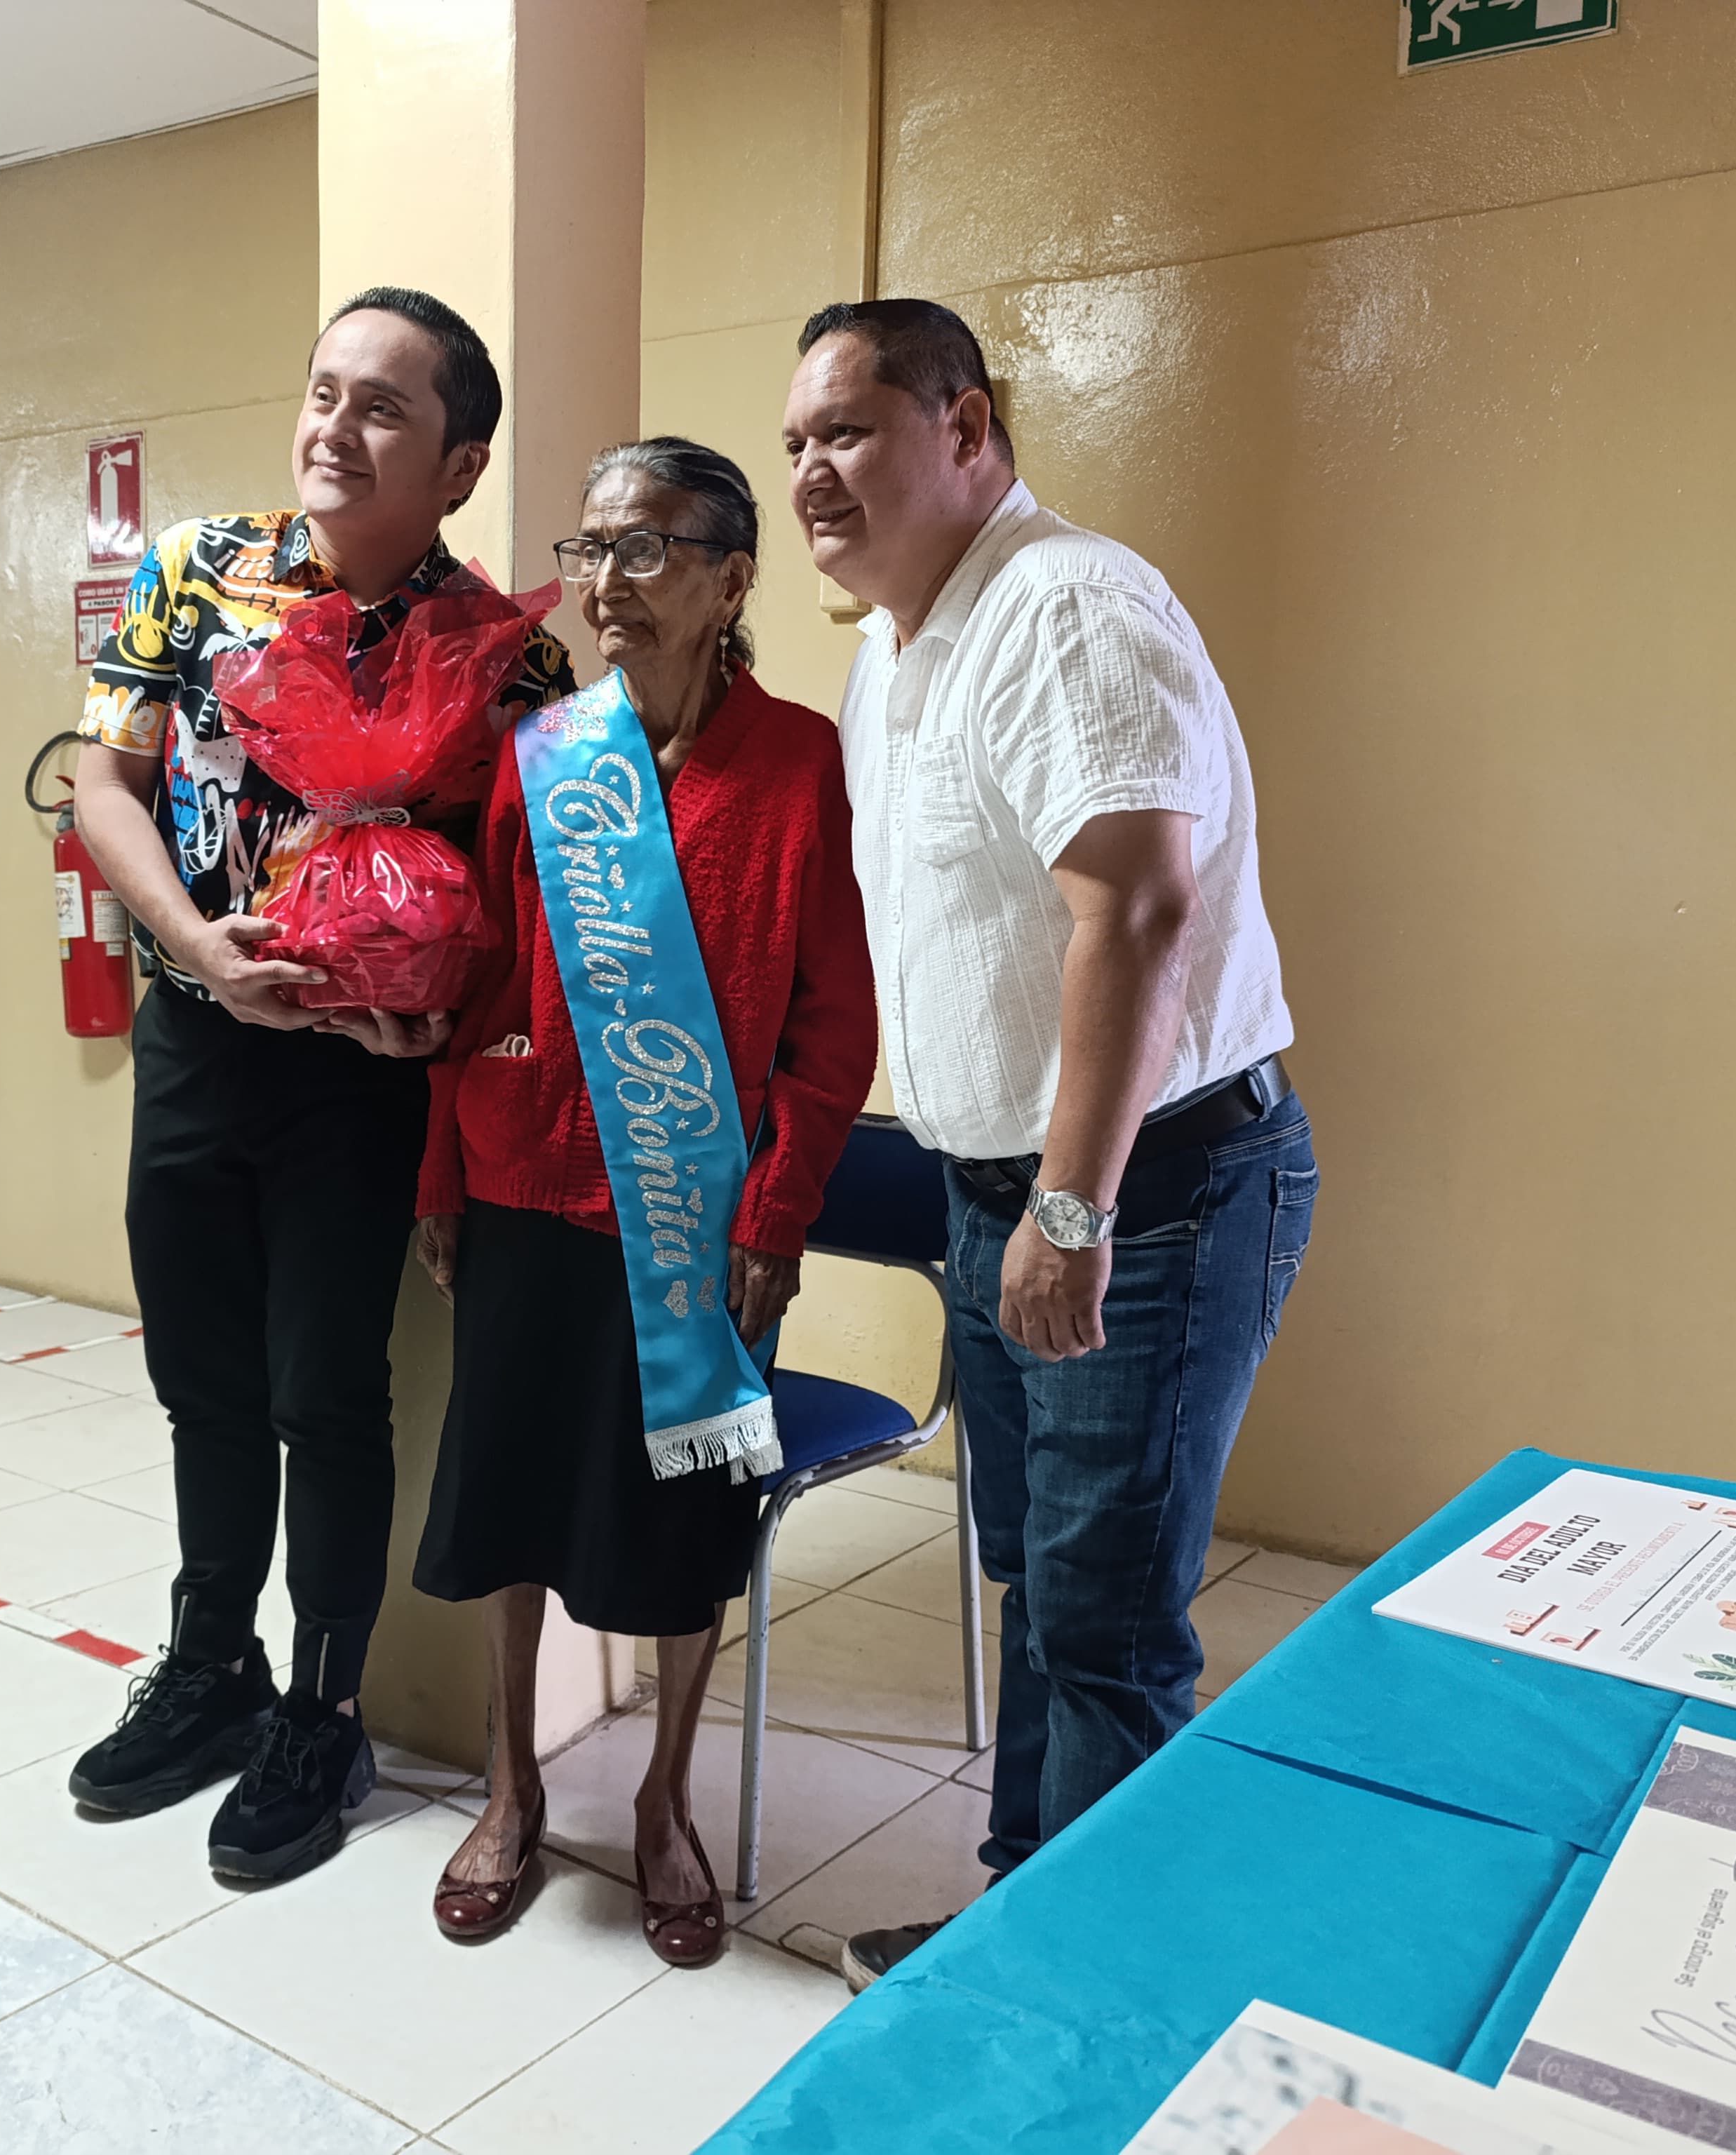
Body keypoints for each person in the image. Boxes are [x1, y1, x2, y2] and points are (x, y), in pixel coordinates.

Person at [781, 300, 1319, 1991]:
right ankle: (1027, 1931)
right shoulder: (898, 643)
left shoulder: (1063, 605)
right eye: (794, 442)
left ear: (965, 426)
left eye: (846, 431)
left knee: (1102, 1620)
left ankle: (1095, 1999)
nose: (810, 472)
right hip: (995, 1189)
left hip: (1141, 1194)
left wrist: (1070, 1210)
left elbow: (1138, 908)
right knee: (1040, 1582)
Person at [66, 287, 573, 1884]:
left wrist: (439, 1018)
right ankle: (207, 1664)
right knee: (200, 1379)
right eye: (323, 390)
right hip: (191, 1038)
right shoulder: (195, 571)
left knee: (326, 1393)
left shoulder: (507, 653)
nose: (334, 428)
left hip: (362, 1085)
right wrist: (193, 948)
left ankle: (323, 1708)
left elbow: (536, 900)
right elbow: (101, 781)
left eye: (382, 407)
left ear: (460, 463)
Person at [409, 438, 877, 1964]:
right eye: (592, 547)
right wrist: (445, 1174)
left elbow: (833, 1025)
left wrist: (776, 1213)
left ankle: (668, 1797)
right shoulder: (548, 754)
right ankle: (512, 1786)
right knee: (511, 1499)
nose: (608, 579)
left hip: (700, 1225)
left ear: (732, 580)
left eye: (649, 548)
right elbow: (487, 985)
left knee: (686, 1516)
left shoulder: (798, 764)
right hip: (527, 1190)